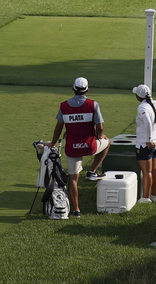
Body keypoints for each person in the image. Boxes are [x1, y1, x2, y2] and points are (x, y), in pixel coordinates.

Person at [48, 76, 110, 217]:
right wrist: (100, 136)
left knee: (73, 179)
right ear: (87, 89)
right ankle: (92, 171)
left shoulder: (64, 106)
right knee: (108, 143)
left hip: (72, 148)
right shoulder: (93, 104)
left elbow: (58, 127)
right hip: (90, 146)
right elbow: (100, 126)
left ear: (73, 89)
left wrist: (52, 143)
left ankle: (76, 210)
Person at [133, 84, 156, 203]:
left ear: (138, 97)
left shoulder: (142, 107)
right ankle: (154, 196)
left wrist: (148, 139)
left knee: (147, 171)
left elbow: (147, 122)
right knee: (155, 169)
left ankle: (146, 198)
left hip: (146, 144)